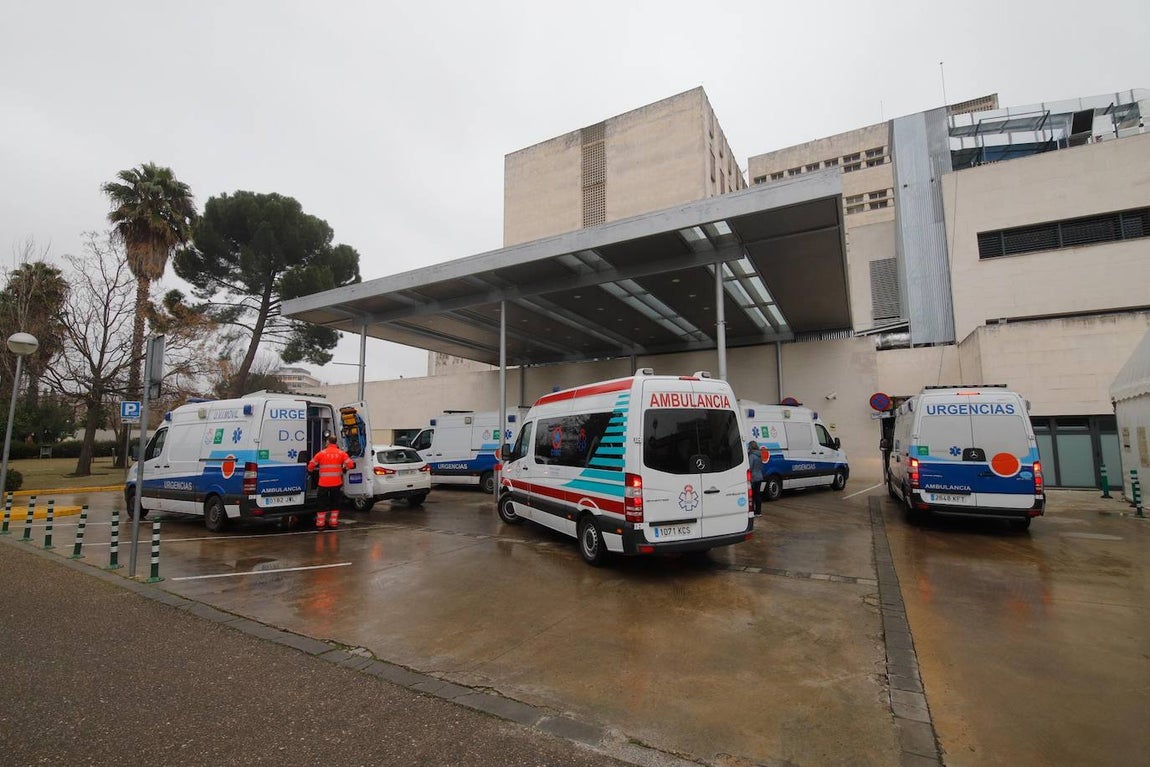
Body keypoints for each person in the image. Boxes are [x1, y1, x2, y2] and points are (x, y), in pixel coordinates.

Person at [307, 435, 354, 529]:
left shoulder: (321, 453)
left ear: (328, 442)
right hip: (336, 483)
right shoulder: (341, 453)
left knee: (322, 503)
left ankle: (320, 523)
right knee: (335, 503)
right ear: (335, 442)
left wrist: (310, 471)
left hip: (323, 483)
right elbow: (351, 464)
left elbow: (311, 465)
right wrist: (344, 468)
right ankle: (333, 522)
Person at [747, 440, 764, 516]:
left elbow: (749, 467)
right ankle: (759, 511)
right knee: (758, 494)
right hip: (759, 476)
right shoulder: (759, 455)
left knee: (753, 495)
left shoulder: (751, 456)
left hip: (753, 478)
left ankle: (753, 511)